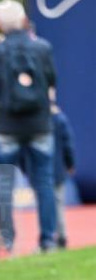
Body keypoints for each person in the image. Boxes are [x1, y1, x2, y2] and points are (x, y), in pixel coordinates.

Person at [0, 0, 57, 252]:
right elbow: (52, 78)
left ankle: (6, 242)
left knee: (4, 185)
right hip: (39, 124)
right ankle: (48, 240)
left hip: (6, 126)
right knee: (44, 182)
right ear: (24, 21)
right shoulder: (42, 47)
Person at [50, 96, 76, 249]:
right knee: (58, 202)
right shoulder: (61, 120)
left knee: (49, 203)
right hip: (59, 168)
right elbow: (68, 144)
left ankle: (51, 236)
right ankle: (61, 236)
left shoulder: (40, 121)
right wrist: (70, 163)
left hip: (45, 170)